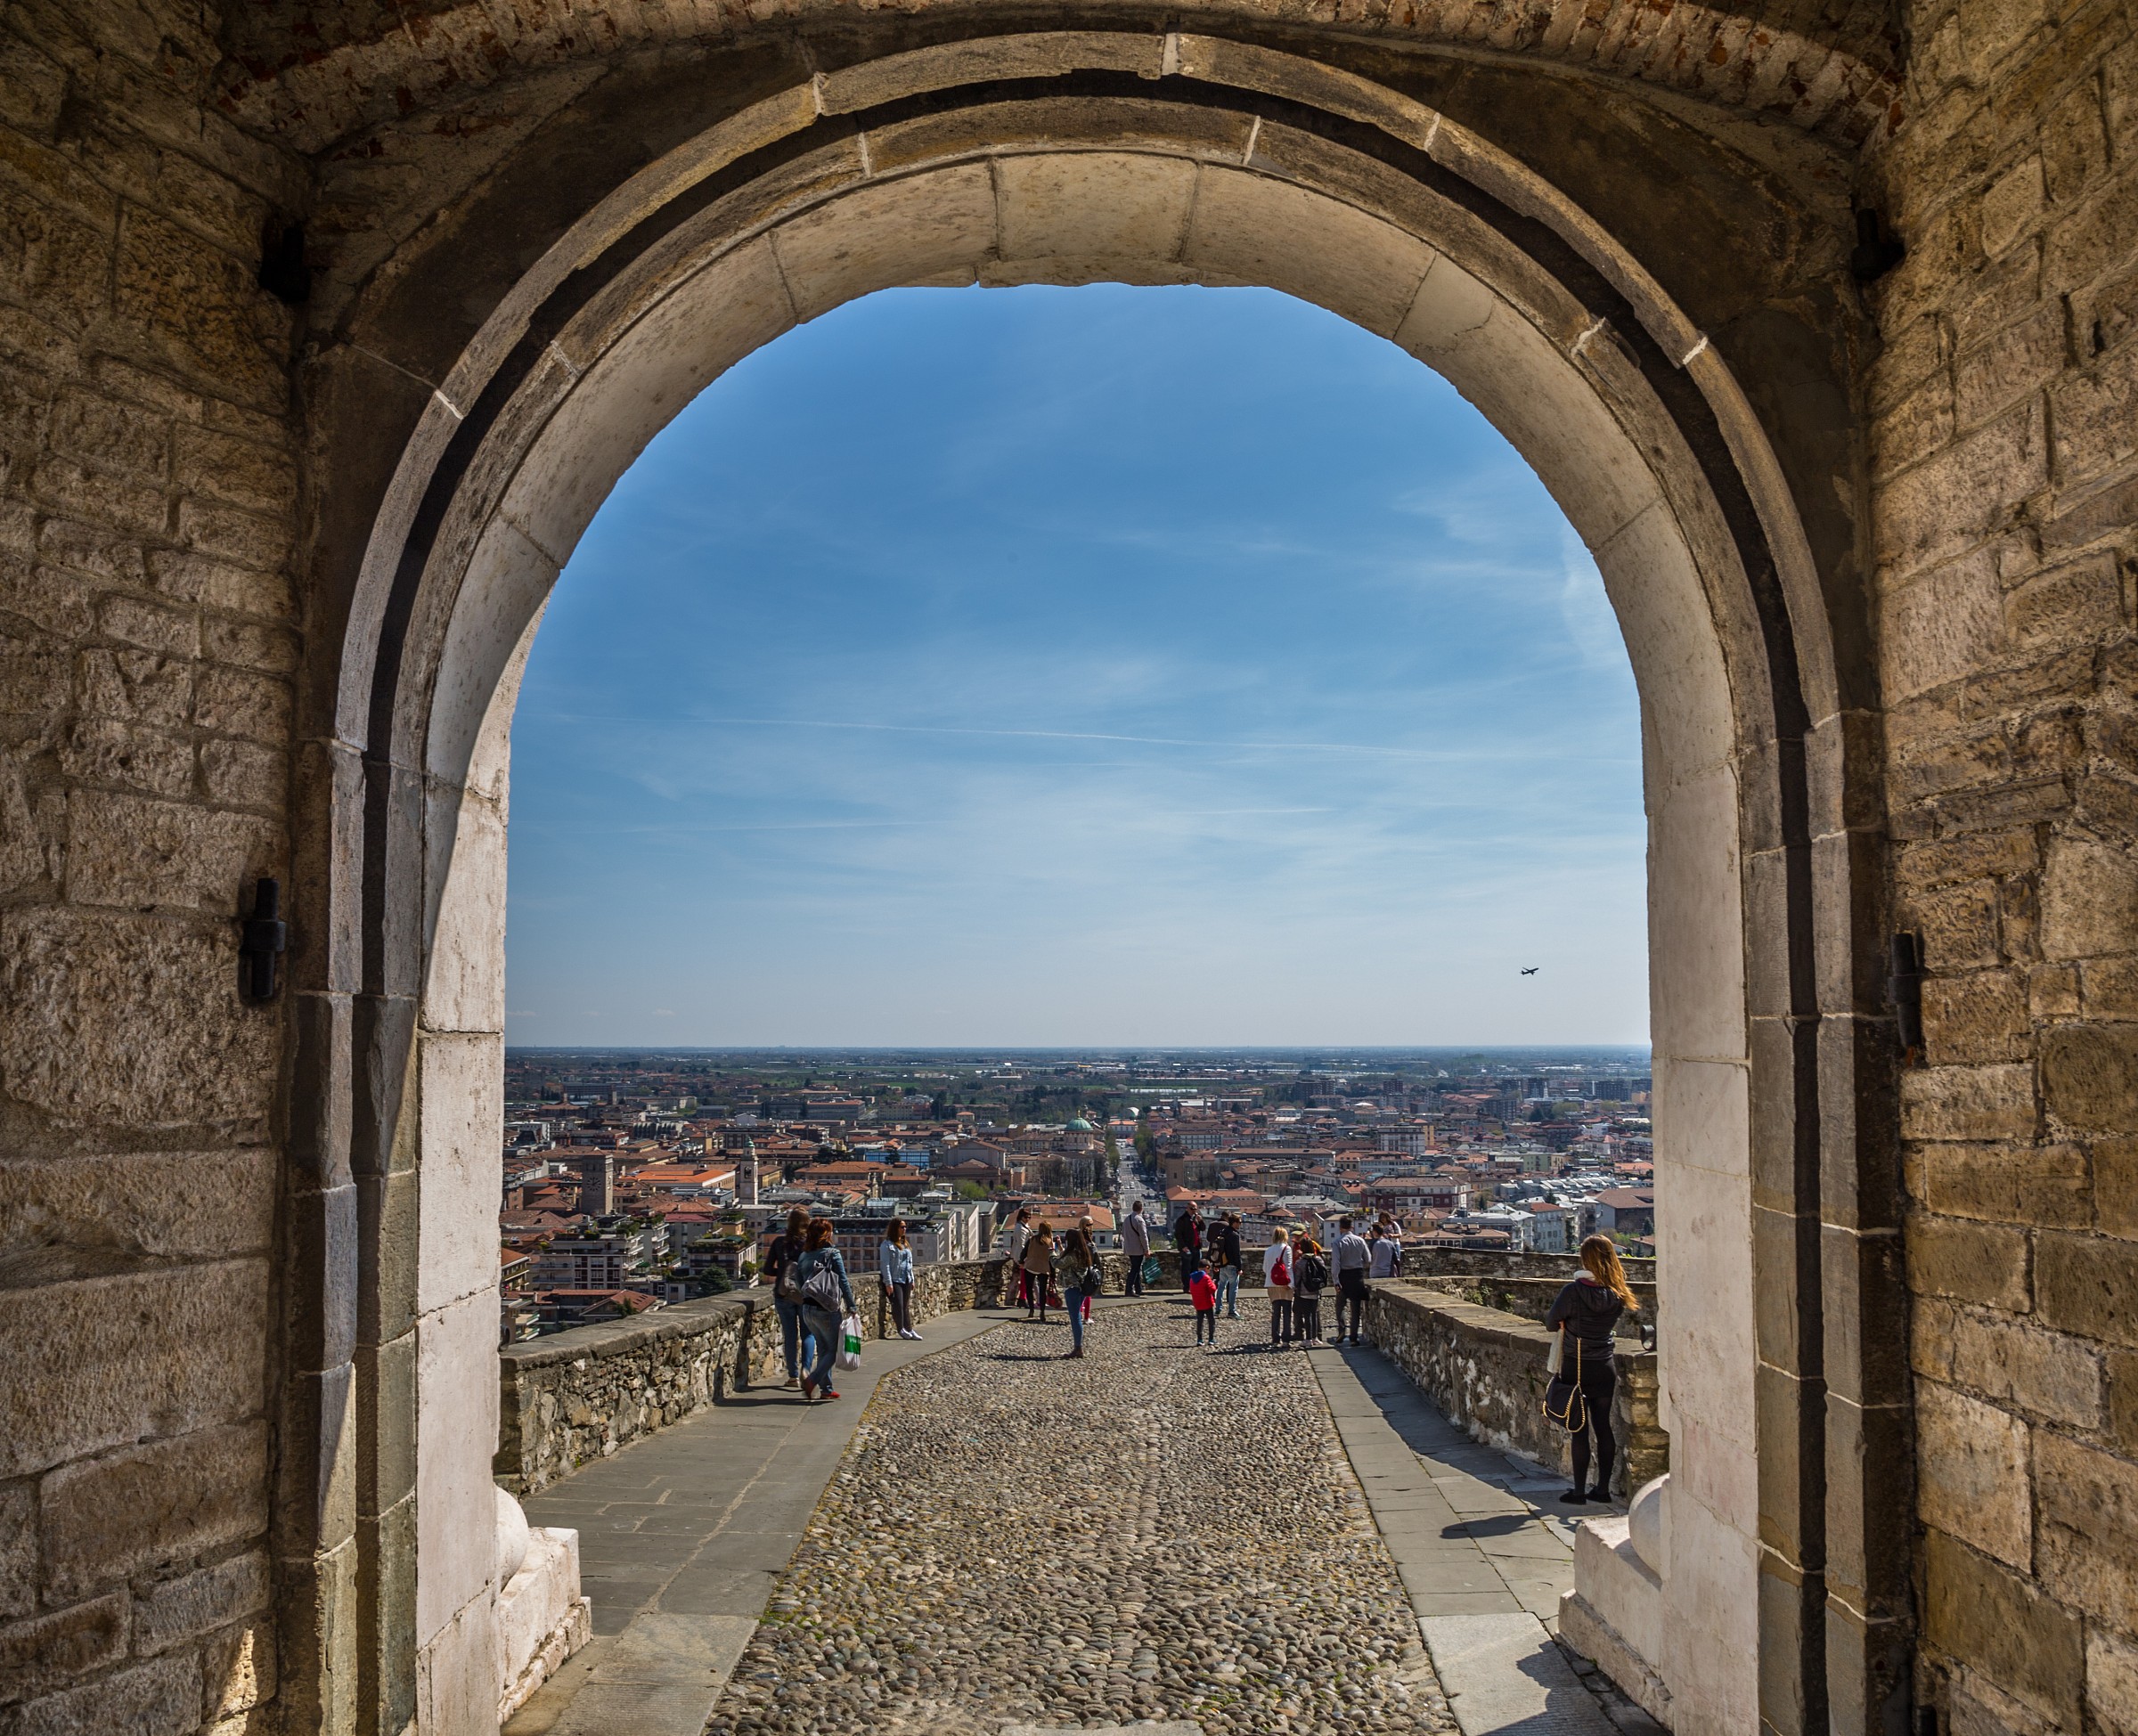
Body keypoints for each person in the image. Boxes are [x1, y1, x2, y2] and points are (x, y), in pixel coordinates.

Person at [1546, 1235, 1641, 1504]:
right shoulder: (1618, 1294)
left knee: (1579, 1429)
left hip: (1576, 1366)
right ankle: (1602, 1490)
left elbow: (1551, 1323)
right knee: (1603, 1427)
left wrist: (1566, 1323)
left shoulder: (1572, 1292)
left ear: (1585, 1259)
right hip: (1604, 1366)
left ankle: (1578, 1492)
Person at [791, 1218, 855, 1402]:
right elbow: (843, 1281)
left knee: (823, 1348)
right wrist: (851, 1305)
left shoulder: (803, 1256)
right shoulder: (832, 1254)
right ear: (826, 1234)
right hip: (826, 1308)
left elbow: (798, 1283)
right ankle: (812, 1380)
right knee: (835, 1350)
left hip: (807, 1308)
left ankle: (826, 1389)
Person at [762, 1207, 815, 1390]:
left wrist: (784, 1273)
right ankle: (806, 1369)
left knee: (790, 1335)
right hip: (807, 1294)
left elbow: (767, 1269)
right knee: (808, 1333)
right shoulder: (811, 1244)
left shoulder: (779, 1243)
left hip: (784, 1293)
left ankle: (793, 1376)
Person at [1057, 1224, 1100, 1358]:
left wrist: (1051, 1252)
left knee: (1075, 1318)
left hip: (1072, 1288)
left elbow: (1058, 1264)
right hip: (1082, 1288)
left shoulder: (1073, 1254)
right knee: (1077, 1317)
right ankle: (1078, 1347)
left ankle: (1078, 1348)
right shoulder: (1084, 1252)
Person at [878, 1217, 919, 1341]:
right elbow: (885, 1264)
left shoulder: (904, 1244)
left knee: (905, 1306)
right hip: (895, 1279)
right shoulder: (887, 1245)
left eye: (905, 1227)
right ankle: (901, 1329)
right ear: (895, 1228)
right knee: (898, 1305)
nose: (904, 1229)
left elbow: (909, 1264)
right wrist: (888, 1283)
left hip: (906, 1278)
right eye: (902, 1227)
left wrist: (912, 1279)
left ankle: (909, 1329)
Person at [1333, 1216, 1371, 1346]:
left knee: (1340, 1306)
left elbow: (1336, 1263)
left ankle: (1342, 1329)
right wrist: (1360, 1266)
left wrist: (1336, 1280)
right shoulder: (1360, 1240)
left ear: (1340, 1227)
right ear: (1352, 1227)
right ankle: (1354, 1337)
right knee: (1355, 1309)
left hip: (1343, 1275)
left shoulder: (1337, 1242)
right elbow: (1368, 1259)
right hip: (1357, 1275)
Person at [1293, 1236, 1328, 1347]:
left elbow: (1297, 1279)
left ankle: (1308, 1339)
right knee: (1314, 1314)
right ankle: (1315, 1337)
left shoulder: (1300, 1263)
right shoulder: (1319, 1260)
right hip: (1316, 1291)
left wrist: (1295, 1289)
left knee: (1307, 1315)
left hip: (1304, 1292)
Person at [1262, 1227, 1295, 1347]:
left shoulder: (1268, 1250)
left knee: (1276, 1312)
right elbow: (1289, 1267)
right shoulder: (1287, 1249)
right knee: (1287, 1312)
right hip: (1285, 1284)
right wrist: (1291, 1283)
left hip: (1271, 1284)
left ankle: (1275, 1338)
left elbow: (1265, 1269)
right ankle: (1286, 1339)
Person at [1210, 1211, 1244, 1319]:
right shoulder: (1234, 1235)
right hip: (1232, 1265)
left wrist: (1216, 1263)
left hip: (1222, 1264)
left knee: (1221, 1286)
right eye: (1239, 1222)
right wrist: (1239, 1267)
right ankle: (1232, 1311)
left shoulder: (1223, 1232)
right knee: (1233, 1288)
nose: (1240, 1224)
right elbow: (1236, 1253)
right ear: (1234, 1223)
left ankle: (1218, 1309)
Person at [1022, 1221, 1056, 1323]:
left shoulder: (1032, 1239)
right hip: (1043, 1268)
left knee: (1029, 1288)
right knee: (1042, 1291)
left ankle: (1031, 1309)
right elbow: (1052, 1258)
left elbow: (1024, 1252)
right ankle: (1042, 1312)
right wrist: (1053, 1272)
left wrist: (1021, 1261)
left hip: (1030, 1266)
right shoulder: (1050, 1241)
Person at [1001, 1207, 1032, 1312]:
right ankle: (1022, 1298)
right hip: (1022, 1257)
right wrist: (1024, 1258)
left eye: (1029, 1217)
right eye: (1026, 1217)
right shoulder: (1020, 1228)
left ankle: (1022, 1298)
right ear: (1021, 1217)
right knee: (1024, 1279)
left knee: (1024, 1279)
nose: (1028, 1219)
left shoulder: (1022, 1226)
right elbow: (1021, 1244)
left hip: (1021, 1256)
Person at [1172, 1202, 1204, 1292]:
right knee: (1186, 1268)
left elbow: (1203, 1228)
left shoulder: (1195, 1219)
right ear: (1187, 1209)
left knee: (1196, 1268)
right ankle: (1187, 1287)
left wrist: (1200, 1221)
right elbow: (1178, 1234)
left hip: (1196, 1247)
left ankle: (1194, 1286)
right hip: (1187, 1248)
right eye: (1192, 1209)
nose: (1194, 1211)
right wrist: (1183, 1246)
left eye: (1195, 1209)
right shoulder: (1182, 1219)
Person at [1122, 1200, 1150, 1298]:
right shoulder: (1139, 1220)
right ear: (1141, 1209)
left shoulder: (1127, 1219)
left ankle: (1138, 1289)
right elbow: (1143, 1236)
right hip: (1138, 1249)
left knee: (1136, 1268)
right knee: (1135, 1269)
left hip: (1129, 1248)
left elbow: (1123, 1233)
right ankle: (1129, 1289)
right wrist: (1147, 1249)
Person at [1188, 1263, 1219, 1346]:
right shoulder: (1206, 1277)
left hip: (1197, 1303)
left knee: (1200, 1321)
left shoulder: (1192, 1278)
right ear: (1206, 1267)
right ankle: (1211, 1339)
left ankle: (1199, 1339)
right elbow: (1212, 1289)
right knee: (1211, 1321)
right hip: (1207, 1302)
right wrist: (1213, 1283)